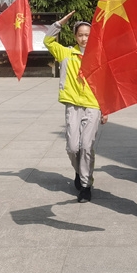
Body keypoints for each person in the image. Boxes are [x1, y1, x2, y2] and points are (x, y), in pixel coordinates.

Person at [44, 11, 107, 203]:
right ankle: (80, 172)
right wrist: (60, 23)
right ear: (75, 36)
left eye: (87, 35)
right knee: (72, 147)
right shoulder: (66, 53)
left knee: (86, 146)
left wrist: (105, 108)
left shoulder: (99, 55)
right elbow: (48, 41)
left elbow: (105, 82)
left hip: (93, 105)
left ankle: (86, 186)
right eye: (80, 35)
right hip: (72, 104)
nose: (84, 38)